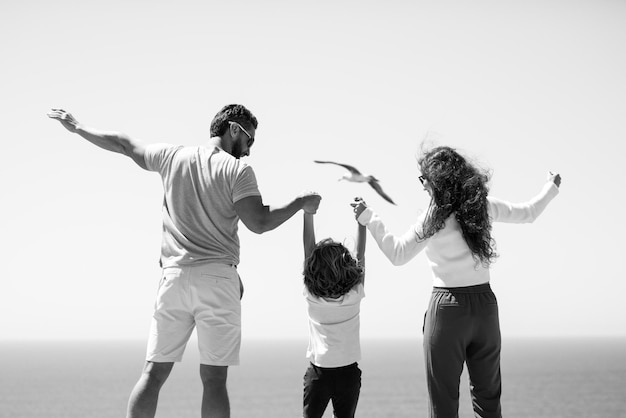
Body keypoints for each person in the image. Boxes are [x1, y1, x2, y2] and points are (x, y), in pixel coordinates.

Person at [47, 105, 322, 418]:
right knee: (215, 379)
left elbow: (124, 144)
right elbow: (258, 222)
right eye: (250, 140)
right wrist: (301, 203)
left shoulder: (171, 156)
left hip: (174, 278)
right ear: (233, 129)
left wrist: (78, 127)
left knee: (152, 374)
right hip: (218, 281)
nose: (249, 150)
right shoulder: (237, 170)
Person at [351, 146, 561, 418]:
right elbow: (529, 213)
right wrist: (551, 187)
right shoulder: (483, 206)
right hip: (485, 308)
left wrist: (369, 218)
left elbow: (398, 254)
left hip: (447, 309)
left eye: (423, 178)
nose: (422, 185)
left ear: (437, 180)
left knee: (443, 404)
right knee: (488, 403)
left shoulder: (434, 216)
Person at [301, 199, 367, 418]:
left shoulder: (313, 297)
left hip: (319, 373)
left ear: (312, 269)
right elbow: (361, 257)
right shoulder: (354, 295)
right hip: (348, 373)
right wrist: (361, 221)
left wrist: (308, 213)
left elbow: (308, 251)